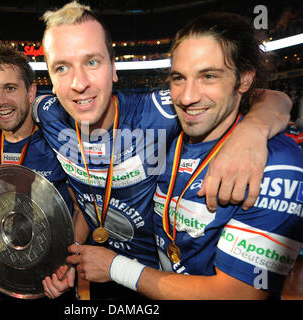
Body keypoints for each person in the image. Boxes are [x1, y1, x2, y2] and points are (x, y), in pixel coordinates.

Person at [0, 2, 292, 300]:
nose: (79, 83)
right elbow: (8, 107)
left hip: (158, 280)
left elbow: (259, 95)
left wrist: (252, 131)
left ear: (114, 67)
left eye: (92, 62)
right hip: (100, 274)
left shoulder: (162, 112)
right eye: (62, 68)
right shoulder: (49, 112)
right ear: (50, 78)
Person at [67, 12, 303, 300]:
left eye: (209, 76)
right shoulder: (166, 133)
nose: (188, 96)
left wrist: (116, 267)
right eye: (179, 78)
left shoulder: (277, 164)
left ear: (244, 80)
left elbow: (238, 294)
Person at [0, 40, 77, 300]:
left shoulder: (58, 141)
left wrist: (69, 261)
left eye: (10, 88)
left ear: (31, 91)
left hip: (53, 283)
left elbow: (80, 208)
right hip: (2, 282)